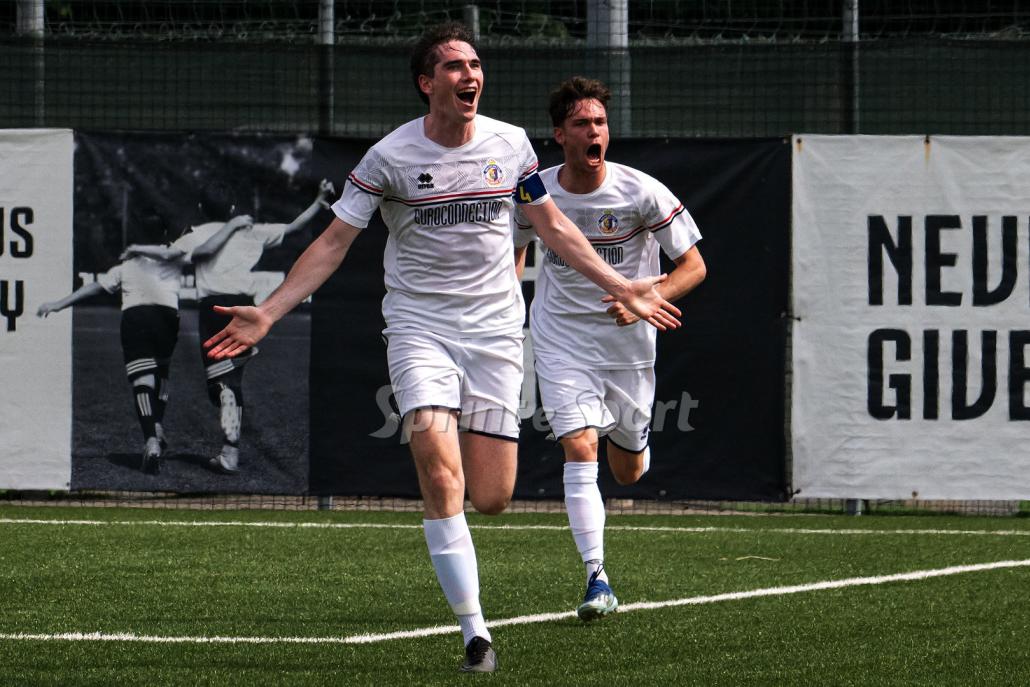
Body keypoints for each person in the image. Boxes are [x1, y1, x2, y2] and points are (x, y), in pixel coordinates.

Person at [203, 23, 680, 673]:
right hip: (419, 330)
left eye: (475, 64)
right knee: (438, 468)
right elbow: (333, 243)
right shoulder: (388, 158)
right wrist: (270, 311)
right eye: (455, 66)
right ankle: (475, 633)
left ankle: (478, 601)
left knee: (492, 496)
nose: (470, 74)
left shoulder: (511, 145)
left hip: (495, 334)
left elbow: (553, 228)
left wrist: (624, 284)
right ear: (427, 83)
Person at [513, 76, 707, 621]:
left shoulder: (641, 191)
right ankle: (596, 576)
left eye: (600, 122)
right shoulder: (536, 193)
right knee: (579, 448)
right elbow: (514, 251)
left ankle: (636, 441)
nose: (594, 132)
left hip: (628, 348)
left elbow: (694, 266)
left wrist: (648, 298)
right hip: (560, 339)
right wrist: (505, 307)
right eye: (582, 123)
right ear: (560, 135)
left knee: (627, 473)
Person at [171, 179, 334, 474]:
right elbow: (294, 227)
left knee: (221, 385)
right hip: (246, 307)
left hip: (216, 309)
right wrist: (317, 201)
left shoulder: (196, 233)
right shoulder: (250, 231)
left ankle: (229, 453)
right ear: (233, 207)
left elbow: (192, 254)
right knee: (227, 382)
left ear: (200, 207)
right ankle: (229, 448)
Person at [37, 208, 188, 474]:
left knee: (142, 381)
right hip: (167, 319)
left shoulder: (126, 267)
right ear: (164, 235)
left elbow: (94, 287)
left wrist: (59, 304)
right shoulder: (175, 259)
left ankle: (151, 440)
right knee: (162, 372)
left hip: (137, 318)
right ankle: (157, 424)